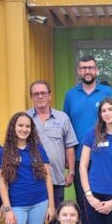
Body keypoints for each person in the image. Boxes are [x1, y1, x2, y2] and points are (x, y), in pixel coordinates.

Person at [63, 55, 112, 211]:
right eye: (84, 68)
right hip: (80, 157)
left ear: (96, 70)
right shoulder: (70, 95)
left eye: (91, 68)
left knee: (107, 198)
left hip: (106, 155)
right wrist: (68, 159)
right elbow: (66, 127)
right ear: (79, 71)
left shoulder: (107, 92)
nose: (87, 71)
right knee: (84, 200)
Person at [26, 80, 78, 208]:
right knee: (36, 222)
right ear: (31, 97)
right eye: (36, 94)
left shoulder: (62, 118)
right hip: (31, 180)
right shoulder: (24, 118)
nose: (40, 96)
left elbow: (69, 146)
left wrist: (71, 172)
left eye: (43, 93)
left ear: (50, 96)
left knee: (55, 219)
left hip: (56, 178)